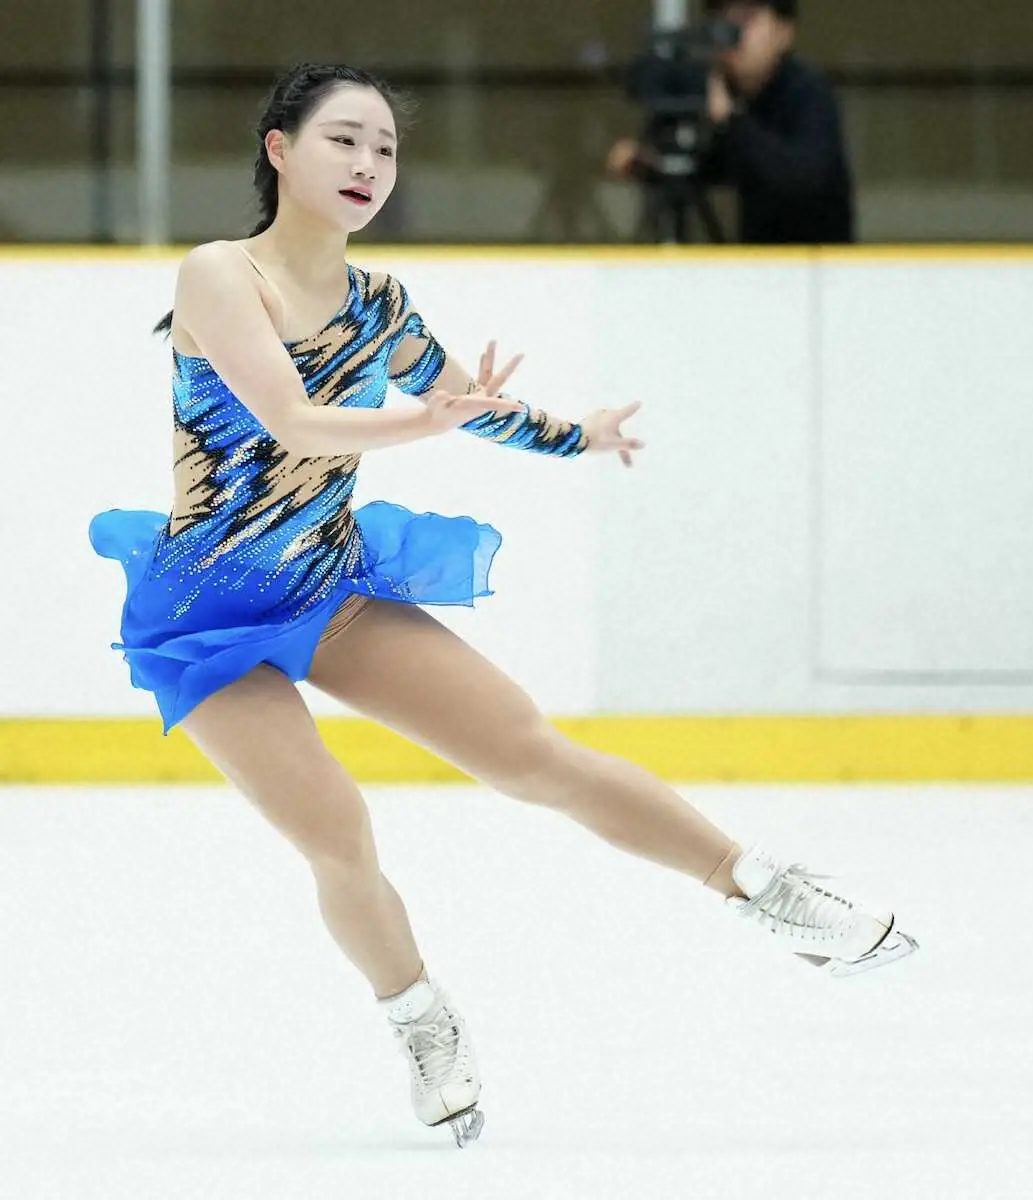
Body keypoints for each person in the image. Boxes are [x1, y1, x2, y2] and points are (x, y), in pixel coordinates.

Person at [90, 62, 914, 1149]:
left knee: (532, 754)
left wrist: (579, 434)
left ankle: (764, 891)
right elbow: (292, 421)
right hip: (206, 615)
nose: (368, 164)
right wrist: (426, 425)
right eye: (344, 140)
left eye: (384, 148)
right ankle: (422, 1020)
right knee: (339, 829)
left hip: (329, 584)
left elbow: (464, 404)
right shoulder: (218, 274)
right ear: (280, 150)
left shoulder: (379, 306)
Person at [608, 0, 855, 245]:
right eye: (723, 22)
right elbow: (714, 168)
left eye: (746, 20)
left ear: (783, 32)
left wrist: (732, 122)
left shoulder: (808, 93)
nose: (733, 34)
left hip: (817, 266)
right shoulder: (734, 93)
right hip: (760, 263)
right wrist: (651, 166)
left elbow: (802, 180)